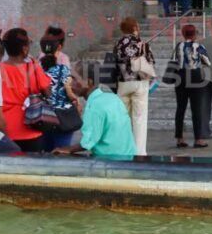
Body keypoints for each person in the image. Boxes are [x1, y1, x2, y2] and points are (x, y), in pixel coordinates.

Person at [52, 60, 136, 160]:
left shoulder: (95, 106)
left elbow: (88, 141)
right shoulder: (112, 98)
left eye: (74, 79)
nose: (69, 82)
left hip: (111, 160)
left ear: (89, 82)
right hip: (129, 157)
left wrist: (68, 149)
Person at [0, 28, 52, 153]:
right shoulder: (33, 67)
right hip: (31, 127)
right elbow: (48, 92)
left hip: (4, 130)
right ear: (24, 49)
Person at [114, 17, 154, 156]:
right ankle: (139, 152)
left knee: (122, 118)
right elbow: (150, 62)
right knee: (139, 118)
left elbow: (113, 65)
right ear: (135, 28)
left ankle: (121, 149)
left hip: (123, 83)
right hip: (140, 83)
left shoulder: (118, 44)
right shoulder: (142, 44)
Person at [171, 24, 211, 149]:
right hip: (195, 77)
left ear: (183, 34)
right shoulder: (199, 46)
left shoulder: (178, 46)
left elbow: (173, 60)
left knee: (180, 108)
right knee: (197, 109)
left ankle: (179, 138)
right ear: (195, 34)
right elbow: (208, 62)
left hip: (180, 77)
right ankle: (198, 139)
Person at [39, 36, 80, 150]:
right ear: (58, 48)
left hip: (43, 117)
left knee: (45, 152)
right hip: (63, 118)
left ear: (42, 49)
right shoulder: (63, 69)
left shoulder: (36, 69)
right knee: (61, 151)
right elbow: (69, 92)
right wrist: (75, 100)